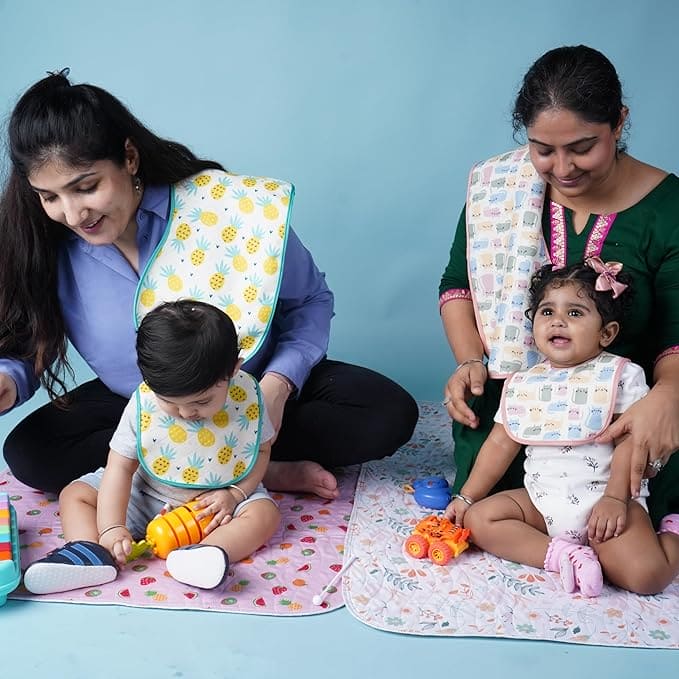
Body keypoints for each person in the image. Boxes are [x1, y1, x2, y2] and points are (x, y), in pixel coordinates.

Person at [0, 70, 419, 500]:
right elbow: (31, 340)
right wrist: (8, 379)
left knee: (387, 413)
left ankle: (230, 458)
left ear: (128, 157)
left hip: (246, 388)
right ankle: (262, 469)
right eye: (49, 197)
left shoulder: (223, 209)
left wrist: (277, 386)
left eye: (86, 187)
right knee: (30, 452)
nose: (72, 214)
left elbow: (309, 301)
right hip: (143, 408)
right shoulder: (47, 244)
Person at [439, 44, 679, 594]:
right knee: (481, 500)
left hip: (628, 407)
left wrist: (666, 399)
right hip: (521, 392)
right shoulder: (499, 191)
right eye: (543, 150)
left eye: (582, 148)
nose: (562, 169)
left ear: (619, 122)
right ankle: (561, 549)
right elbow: (459, 283)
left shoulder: (668, 209)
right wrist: (470, 360)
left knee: (636, 555)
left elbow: (675, 331)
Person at [445, 260, 679, 596]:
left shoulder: (621, 376)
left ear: (606, 333)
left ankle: (672, 534)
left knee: (646, 578)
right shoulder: (525, 382)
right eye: (547, 312)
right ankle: (562, 555)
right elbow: (499, 445)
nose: (558, 320)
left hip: (606, 505)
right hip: (541, 504)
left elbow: (631, 441)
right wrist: (467, 496)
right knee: (480, 520)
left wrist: (615, 498)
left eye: (575, 313)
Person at [24, 300, 280, 593]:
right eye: (170, 403)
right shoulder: (143, 404)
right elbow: (119, 467)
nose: (186, 414)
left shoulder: (247, 398)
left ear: (234, 369)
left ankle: (207, 554)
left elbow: (261, 451)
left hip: (217, 507)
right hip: (145, 496)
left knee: (264, 514)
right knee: (75, 494)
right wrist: (111, 526)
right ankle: (89, 553)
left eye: (202, 401)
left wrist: (236, 494)